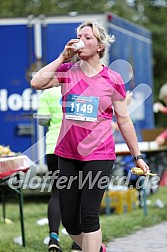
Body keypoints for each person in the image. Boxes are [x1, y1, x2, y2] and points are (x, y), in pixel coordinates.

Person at [31, 19, 149, 252]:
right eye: (79, 36)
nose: (80, 41)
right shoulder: (66, 72)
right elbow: (37, 82)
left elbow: (123, 120)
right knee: (69, 221)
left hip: (99, 154)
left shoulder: (113, 79)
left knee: (89, 215)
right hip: (67, 153)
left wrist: (138, 157)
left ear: (100, 47)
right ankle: (97, 249)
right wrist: (62, 58)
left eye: (87, 37)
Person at [37, 87, 82, 252]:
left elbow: (42, 120)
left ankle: (53, 238)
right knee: (80, 192)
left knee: (56, 193)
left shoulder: (47, 93)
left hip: (53, 147)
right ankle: (78, 242)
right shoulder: (78, 88)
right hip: (75, 147)